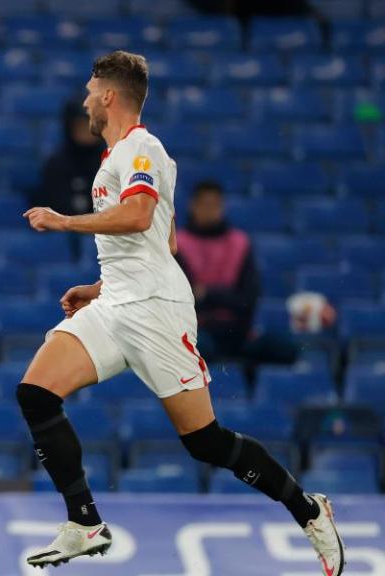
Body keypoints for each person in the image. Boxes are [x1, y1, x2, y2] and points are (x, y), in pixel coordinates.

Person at [18, 51, 344, 575]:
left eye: (88, 90)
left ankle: (308, 510)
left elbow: (141, 215)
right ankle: (84, 523)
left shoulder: (143, 147)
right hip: (117, 304)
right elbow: (161, 241)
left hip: (157, 314)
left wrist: (62, 221)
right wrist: (99, 287)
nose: (83, 100)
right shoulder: (114, 158)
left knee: (205, 442)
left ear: (108, 96)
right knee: (35, 392)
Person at [175, 180, 298, 365]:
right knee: (198, 348)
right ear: (193, 206)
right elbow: (185, 301)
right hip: (199, 332)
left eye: (215, 205)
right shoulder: (178, 245)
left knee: (286, 347)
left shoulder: (240, 243)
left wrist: (208, 294)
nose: (211, 211)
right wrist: (227, 297)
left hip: (239, 332)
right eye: (205, 205)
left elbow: (249, 299)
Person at [29, 99, 103, 218]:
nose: (86, 131)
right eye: (80, 126)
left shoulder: (111, 163)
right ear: (70, 128)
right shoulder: (56, 165)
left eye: (91, 125)